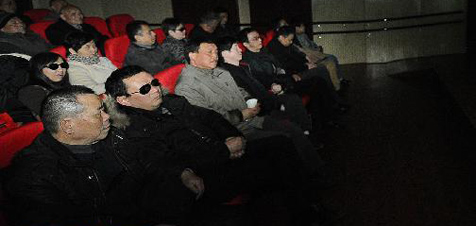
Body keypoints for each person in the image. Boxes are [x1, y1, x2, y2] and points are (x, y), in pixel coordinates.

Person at [104, 66, 325, 224]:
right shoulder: (133, 127)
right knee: (272, 167)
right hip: (206, 171)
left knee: (280, 143)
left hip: (222, 150)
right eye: (145, 89)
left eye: (154, 83)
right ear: (124, 100)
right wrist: (224, 151)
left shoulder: (172, 102)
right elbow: (169, 161)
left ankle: (304, 206)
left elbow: (211, 117)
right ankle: (299, 212)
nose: (154, 89)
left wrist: (232, 137)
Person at [4, 86, 192, 226]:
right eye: (98, 113)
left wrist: (182, 172)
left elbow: (148, 158)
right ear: (68, 125)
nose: (107, 116)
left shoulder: (111, 135)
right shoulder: (32, 176)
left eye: (103, 109)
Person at [176, 39, 325, 175]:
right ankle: (307, 178)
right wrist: (241, 115)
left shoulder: (220, 71)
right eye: (209, 52)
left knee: (292, 127)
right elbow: (207, 121)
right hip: (234, 132)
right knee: (284, 140)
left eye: (216, 52)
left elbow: (240, 90)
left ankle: (316, 171)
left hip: (252, 120)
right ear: (192, 55)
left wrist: (249, 100)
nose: (215, 56)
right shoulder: (187, 87)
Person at [217, 36, 313, 134]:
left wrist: (272, 85)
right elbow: (250, 94)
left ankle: (306, 130)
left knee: (293, 98)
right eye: (236, 48)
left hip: (267, 97)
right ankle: (304, 131)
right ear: (225, 53)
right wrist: (273, 102)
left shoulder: (243, 66)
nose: (240, 50)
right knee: (291, 103)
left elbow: (261, 81)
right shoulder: (229, 73)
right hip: (259, 108)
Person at [293, 19, 347, 89]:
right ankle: (337, 84)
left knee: (332, 60)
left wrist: (317, 48)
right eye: (302, 26)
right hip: (313, 57)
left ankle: (339, 82)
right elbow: (307, 50)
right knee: (331, 58)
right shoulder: (296, 39)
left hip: (315, 54)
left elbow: (312, 44)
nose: (304, 27)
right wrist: (316, 51)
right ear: (297, 28)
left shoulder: (304, 35)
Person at [18, 51, 71, 117]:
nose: (61, 70)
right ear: (39, 69)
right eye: (53, 66)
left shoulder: (65, 85)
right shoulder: (30, 91)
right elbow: (52, 115)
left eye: (63, 65)